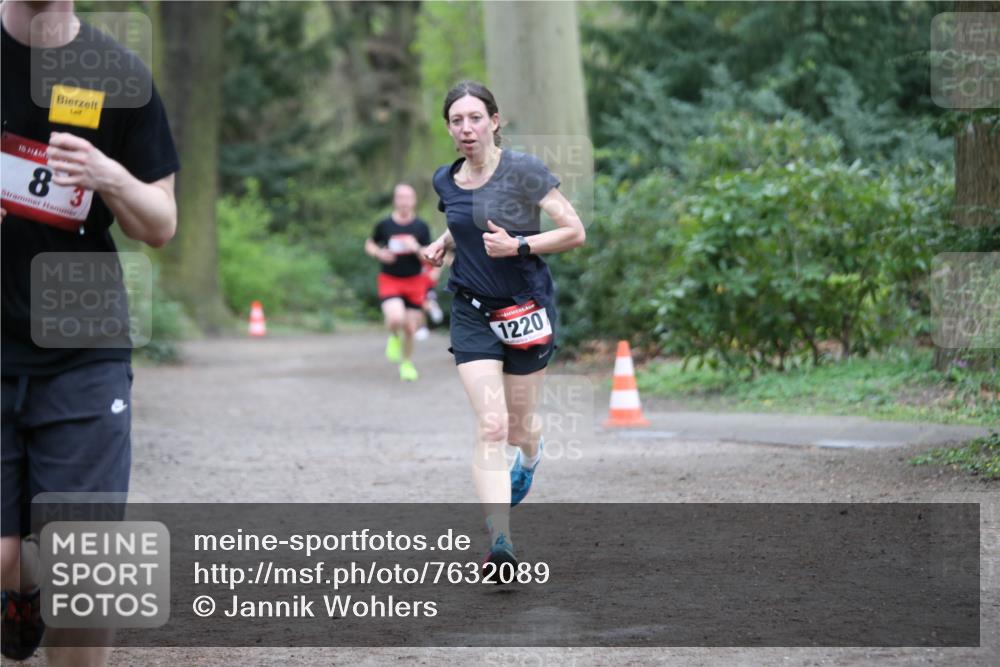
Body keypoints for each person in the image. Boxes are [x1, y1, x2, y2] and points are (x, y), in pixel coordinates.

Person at [1, 1, 179, 663]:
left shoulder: (117, 74)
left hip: (83, 345)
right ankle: (18, 590)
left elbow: (160, 222)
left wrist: (110, 176)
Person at [424, 81, 585, 568]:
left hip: (524, 309)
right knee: (491, 425)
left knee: (518, 428)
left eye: (475, 118)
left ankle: (532, 456)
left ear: (494, 121)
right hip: (472, 309)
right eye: (457, 120)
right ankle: (501, 541)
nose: (466, 128)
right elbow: (463, 219)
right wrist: (444, 243)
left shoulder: (524, 171)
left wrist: (520, 245)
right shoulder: (446, 179)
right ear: (449, 129)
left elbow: (573, 231)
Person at [365, 183, 432, 381]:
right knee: (395, 318)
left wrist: (415, 248)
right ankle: (394, 336)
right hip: (390, 279)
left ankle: (406, 363)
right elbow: (370, 243)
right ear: (395, 200)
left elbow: (428, 256)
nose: (404, 202)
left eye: (408, 198)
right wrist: (379, 253)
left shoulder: (421, 226)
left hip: (414, 281)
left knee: (411, 328)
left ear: (414, 201)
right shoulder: (384, 225)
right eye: (400, 197)